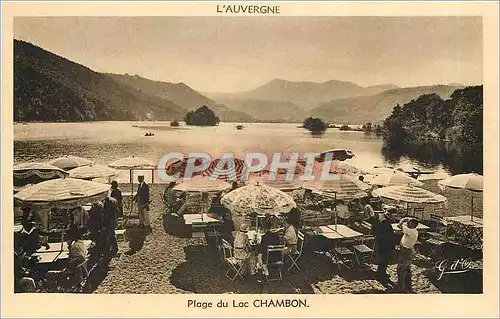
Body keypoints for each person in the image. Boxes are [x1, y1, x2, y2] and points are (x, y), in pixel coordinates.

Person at [371, 210, 396, 283]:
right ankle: (381, 275)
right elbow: (389, 235)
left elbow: (374, 226)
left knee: (382, 259)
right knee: (385, 260)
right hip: (385, 243)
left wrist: (374, 234)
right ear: (390, 214)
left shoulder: (379, 215)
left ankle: (380, 273)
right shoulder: (386, 222)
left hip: (379, 240)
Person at [396, 217, 419, 293]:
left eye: (409, 222)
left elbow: (399, 225)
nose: (407, 223)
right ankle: (407, 286)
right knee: (407, 270)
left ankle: (401, 288)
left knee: (401, 269)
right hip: (408, 250)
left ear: (413, 224)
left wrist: (403, 219)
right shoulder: (413, 230)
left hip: (406, 251)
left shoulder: (411, 231)